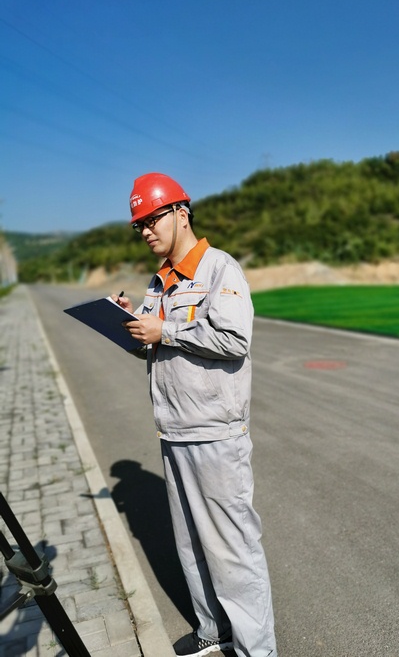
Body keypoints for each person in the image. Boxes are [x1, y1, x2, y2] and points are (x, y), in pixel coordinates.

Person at [113, 173, 277, 657]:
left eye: (151, 219)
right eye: (139, 225)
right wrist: (131, 326)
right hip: (173, 429)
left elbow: (233, 339)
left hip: (215, 433)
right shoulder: (159, 280)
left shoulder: (219, 269)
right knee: (190, 545)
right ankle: (213, 629)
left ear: (181, 213)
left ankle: (257, 650)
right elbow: (154, 345)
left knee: (233, 550)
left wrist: (163, 330)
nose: (145, 231)